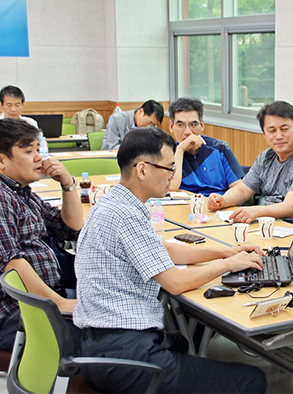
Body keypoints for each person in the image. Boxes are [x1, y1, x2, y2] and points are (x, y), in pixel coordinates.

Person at [73, 127, 267, 394]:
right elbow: (175, 283)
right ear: (142, 170)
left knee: (182, 344)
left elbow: (162, 249)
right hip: (126, 356)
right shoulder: (126, 215)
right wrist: (228, 266)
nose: (174, 176)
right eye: (170, 169)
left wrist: (226, 252)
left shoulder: (114, 203)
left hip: (101, 347)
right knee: (253, 379)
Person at [0, 119, 83, 351]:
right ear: (0, 160)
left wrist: (68, 183)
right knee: (105, 340)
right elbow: (11, 264)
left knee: (112, 328)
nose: (39, 157)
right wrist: (60, 304)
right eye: (28, 151)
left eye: (38, 149)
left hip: (36, 305)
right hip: (8, 318)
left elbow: (71, 227)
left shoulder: (18, 192)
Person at [207, 101, 293, 227]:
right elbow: (243, 191)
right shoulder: (267, 157)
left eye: (284, 129)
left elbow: (291, 208)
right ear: (264, 135)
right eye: (272, 131)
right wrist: (223, 201)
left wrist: (257, 211)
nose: (279, 136)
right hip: (267, 226)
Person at [168, 97, 244, 196]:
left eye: (193, 124)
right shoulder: (168, 153)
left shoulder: (220, 148)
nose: (187, 132)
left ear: (202, 125)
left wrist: (222, 201)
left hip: (219, 205)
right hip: (186, 207)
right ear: (171, 127)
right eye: (180, 125)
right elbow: (172, 187)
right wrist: (180, 150)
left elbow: (239, 190)